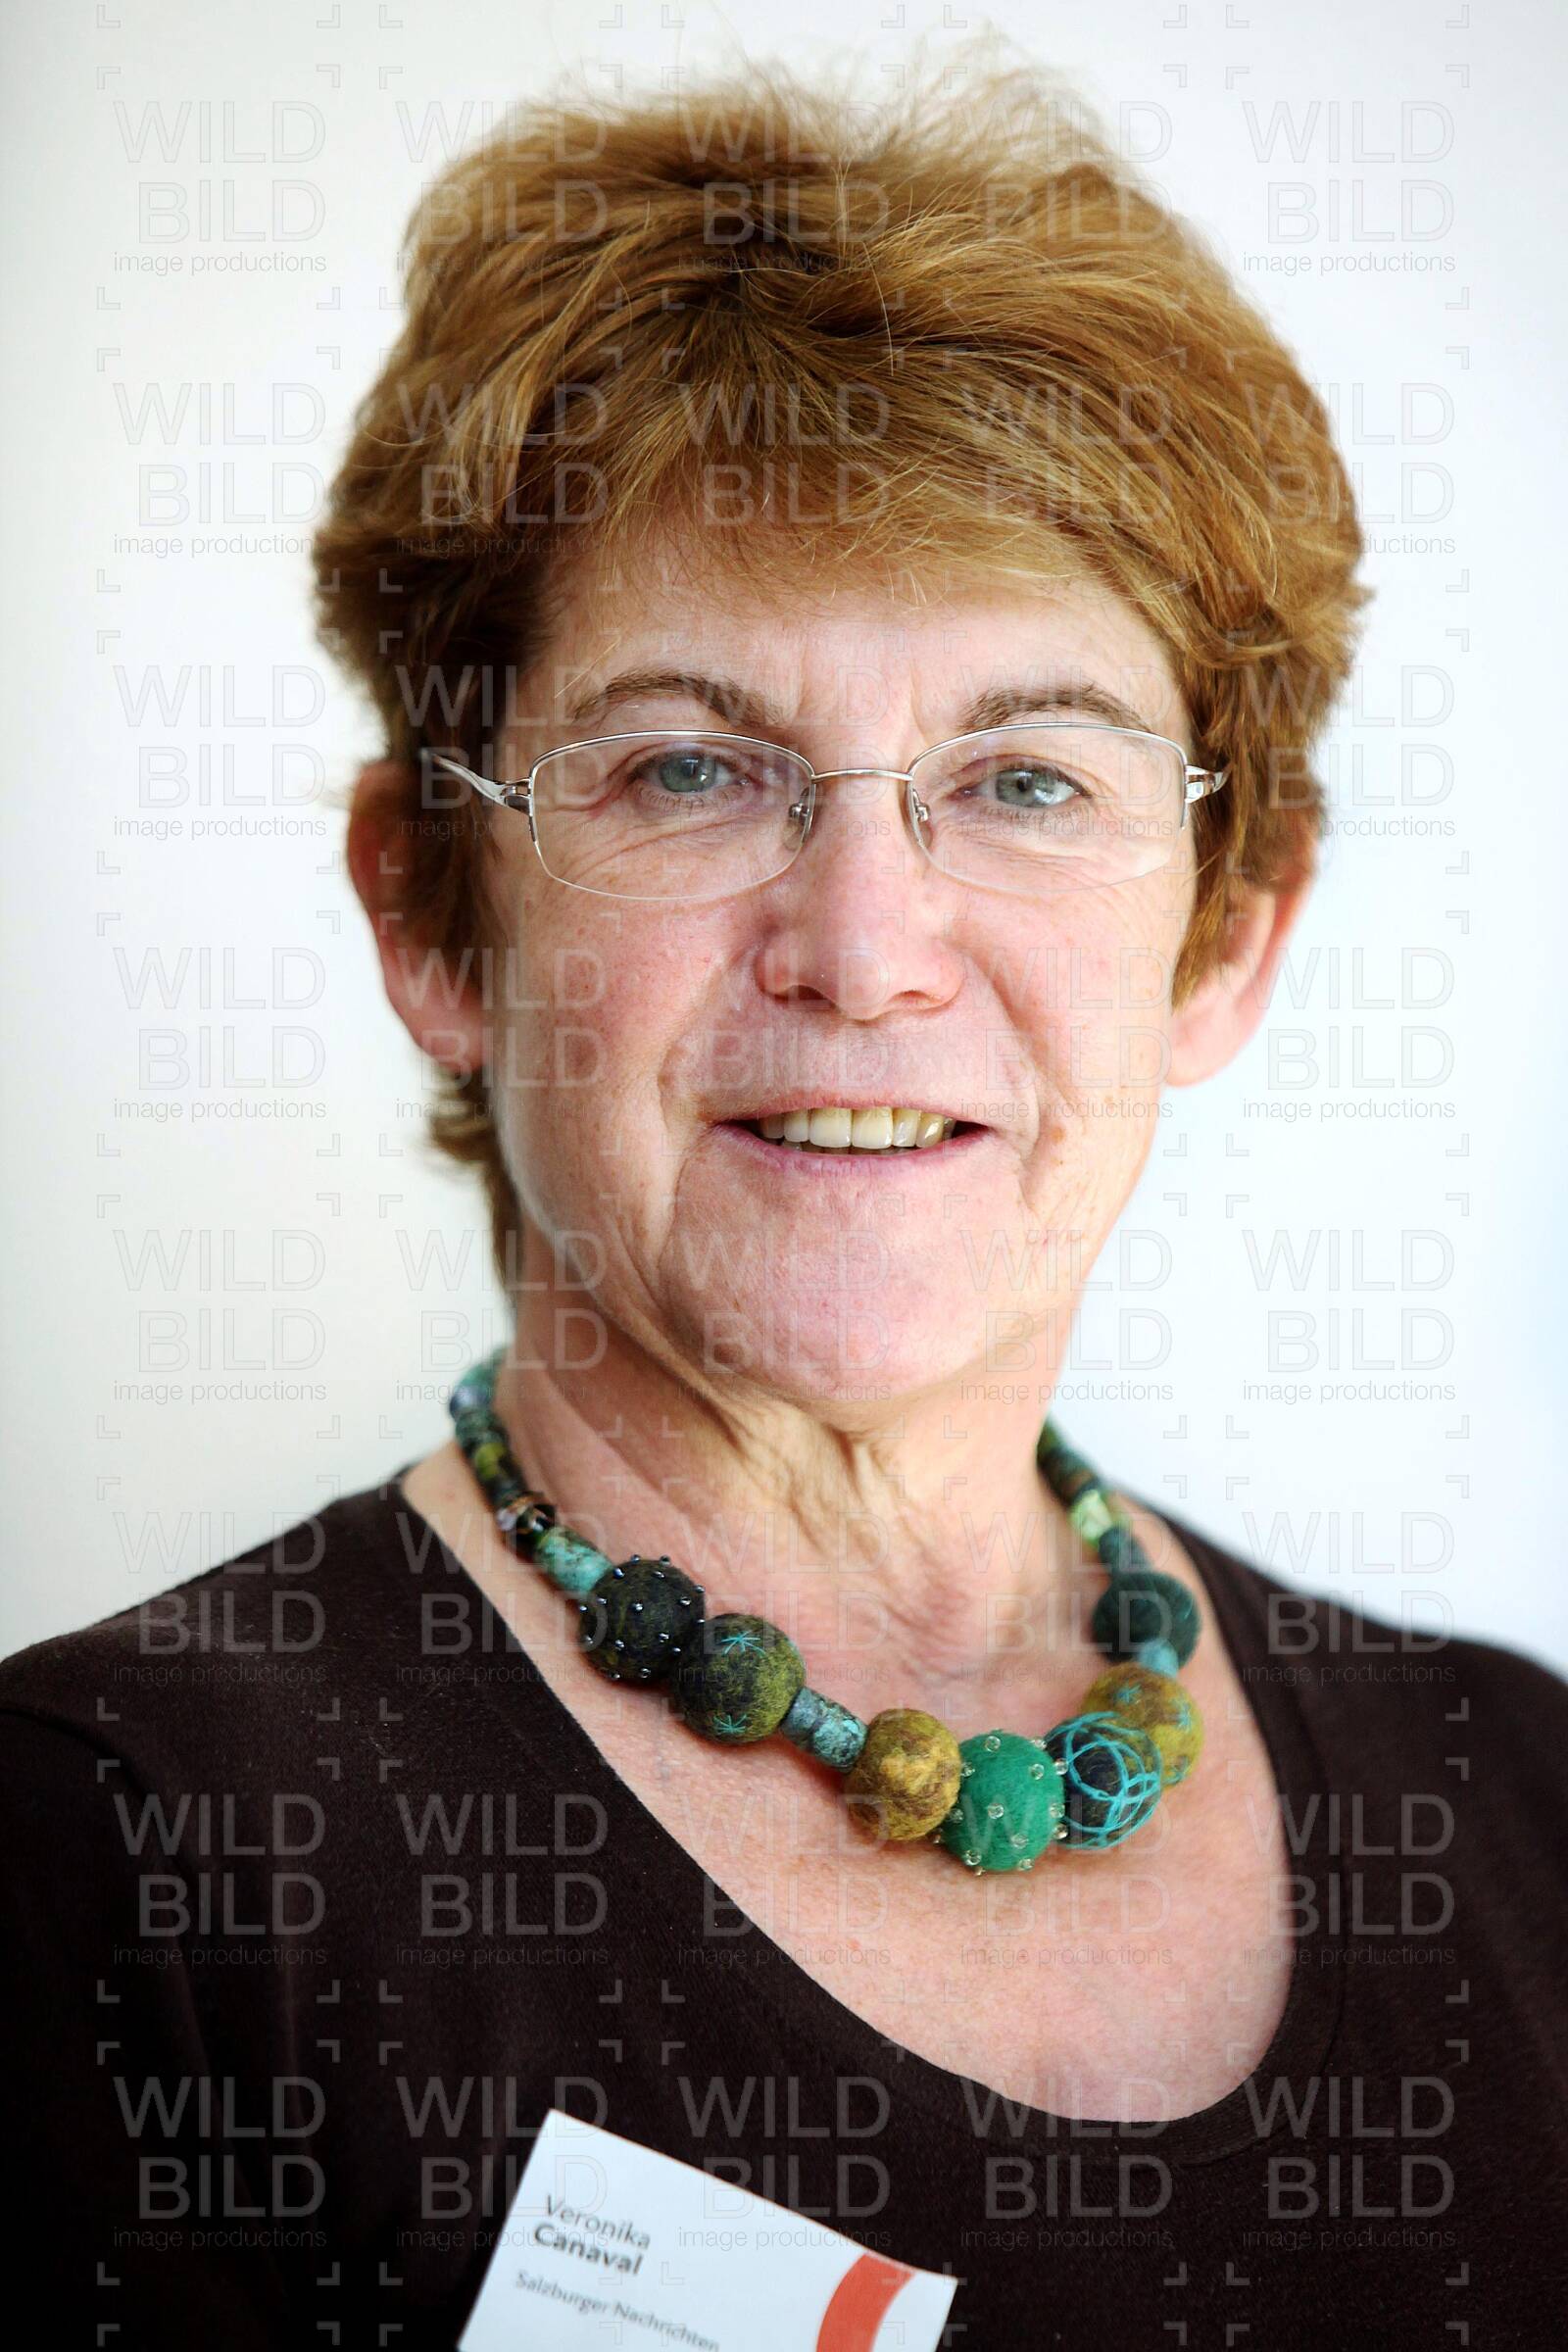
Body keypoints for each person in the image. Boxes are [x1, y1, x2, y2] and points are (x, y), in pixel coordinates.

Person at [4, 54, 1565, 2351]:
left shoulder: (1518, 1797)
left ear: (1225, 936)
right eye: (689, 768)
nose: (863, 948)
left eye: (1023, 778)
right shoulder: (117, 1868)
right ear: (433, 916)